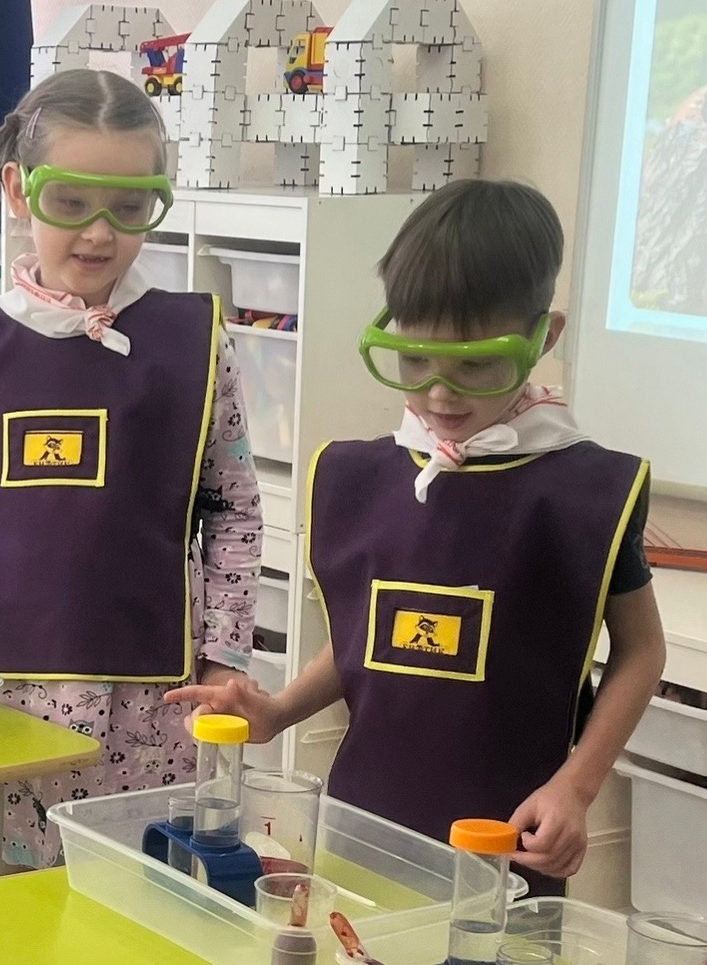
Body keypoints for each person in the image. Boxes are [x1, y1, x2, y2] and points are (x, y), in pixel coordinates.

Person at [170, 180, 668, 894]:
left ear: (543, 336)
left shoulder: (582, 493)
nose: (440, 392)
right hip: (362, 827)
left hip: (504, 841)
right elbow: (369, 641)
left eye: (476, 364)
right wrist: (276, 712)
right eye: (414, 359)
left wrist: (576, 785)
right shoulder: (362, 476)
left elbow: (642, 649)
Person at [0, 69, 262, 869]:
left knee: (138, 891)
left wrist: (225, 655)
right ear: (19, 188)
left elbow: (233, 507)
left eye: (130, 207)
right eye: (71, 202)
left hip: (153, 696)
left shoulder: (193, 339)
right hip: (11, 682)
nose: (99, 233)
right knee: (6, 890)